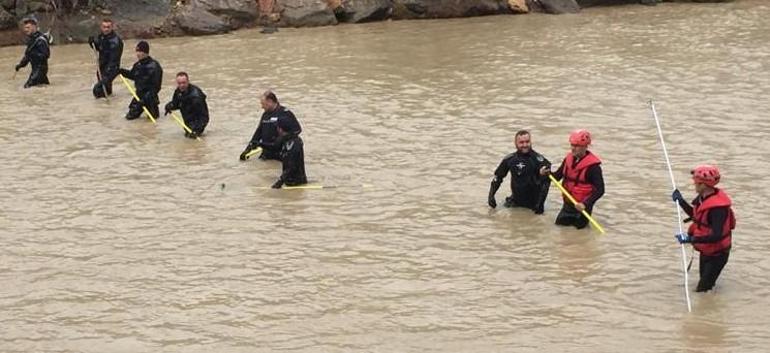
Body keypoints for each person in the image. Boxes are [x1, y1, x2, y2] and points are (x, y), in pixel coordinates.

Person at [673, 165, 735, 292]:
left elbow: (716, 235)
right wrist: (680, 201)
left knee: (702, 290)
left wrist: (690, 238)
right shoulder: (703, 199)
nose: (694, 184)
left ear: (704, 185)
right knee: (706, 287)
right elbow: (697, 217)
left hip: (718, 255)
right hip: (706, 251)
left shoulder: (718, 209)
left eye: (696, 182)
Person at [544, 129, 605, 229]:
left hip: (582, 210)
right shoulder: (568, 159)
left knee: (580, 236)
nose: (573, 148)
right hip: (567, 206)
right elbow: (557, 177)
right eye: (572, 145)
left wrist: (585, 204)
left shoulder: (593, 168)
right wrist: (547, 174)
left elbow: (600, 190)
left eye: (577, 146)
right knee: (559, 230)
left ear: (585, 146)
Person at [488, 130, 551, 214]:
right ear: (515, 143)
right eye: (521, 142)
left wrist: (540, 205)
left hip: (533, 204)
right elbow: (498, 177)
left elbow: (546, 183)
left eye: (527, 142)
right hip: (515, 201)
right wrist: (491, 195)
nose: (525, 145)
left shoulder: (539, 160)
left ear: (531, 142)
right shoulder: (509, 159)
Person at [240, 91, 302, 161]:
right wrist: (247, 150)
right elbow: (258, 133)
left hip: (281, 154)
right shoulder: (265, 115)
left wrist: (282, 138)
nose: (262, 107)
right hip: (266, 154)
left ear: (270, 101)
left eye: (263, 104)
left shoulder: (285, 113)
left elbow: (297, 130)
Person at [118, 41, 163, 120]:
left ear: (146, 52)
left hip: (150, 98)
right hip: (138, 96)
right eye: (137, 51)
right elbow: (132, 75)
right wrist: (121, 71)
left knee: (153, 120)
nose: (138, 54)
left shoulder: (155, 67)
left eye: (140, 51)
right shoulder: (138, 65)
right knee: (129, 118)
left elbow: (156, 87)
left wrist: (145, 99)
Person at [164, 72, 209, 138]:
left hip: (197, 124)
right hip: (187, 122)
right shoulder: (178, 91)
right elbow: (177, 103)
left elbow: (204, 117)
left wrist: (197, 130)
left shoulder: (196, 96)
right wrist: (170, 106)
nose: (181, 85)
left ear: (188, 81)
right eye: (179, 83)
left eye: (184, 83)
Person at [88, 18, 123, 98]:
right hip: (101, 67)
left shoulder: (116, 41)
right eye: (104, 27)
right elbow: (99, 48)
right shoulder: (102, 37)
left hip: (110, 70)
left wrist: (107, 75)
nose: (106, 29)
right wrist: (92, 42)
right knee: (103, 92)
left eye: (108, 27)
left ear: (112, 27)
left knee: (99, 91)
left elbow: (114, 60)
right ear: (101, 27)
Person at [271, 116, 307, 189]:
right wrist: (259, 144)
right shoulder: (285, 139)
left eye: (277, 127)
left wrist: (280, 182)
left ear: (280, 129)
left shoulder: (294, 143)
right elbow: (274, 148)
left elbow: (291, 166)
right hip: (289, 181)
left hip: (296, 183)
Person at [14, 17, 50, 88]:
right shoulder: (32, 40)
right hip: (37, 70)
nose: (25, 30)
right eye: (25, 28)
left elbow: (46, 55)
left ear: (34, 27)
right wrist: (20, 65)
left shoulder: (41, 40)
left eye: (28, 27)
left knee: (26, 88)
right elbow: (27, 56)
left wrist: (33, 54)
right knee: (42, 88)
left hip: (40, 70)